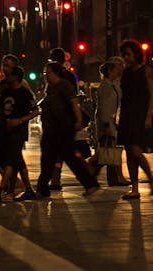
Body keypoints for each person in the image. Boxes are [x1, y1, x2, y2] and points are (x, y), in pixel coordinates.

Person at [36, 61, 99, 198]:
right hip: (52, 130)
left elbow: (74, 103)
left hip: (62, 129)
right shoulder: (51, 88)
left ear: (56, 73)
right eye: (45, 73)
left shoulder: (64, 85)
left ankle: (90, 183)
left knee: (67, 158)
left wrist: (78, 120)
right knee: (49, 159)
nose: (46, 76)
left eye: (48, 73)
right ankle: (42, 189)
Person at [117, 40, 153, 200]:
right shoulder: (126, 72)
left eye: (128, 54)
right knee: (129, 152)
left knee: (136, 150)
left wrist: (149, 115)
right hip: (127, 114)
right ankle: (134, 188)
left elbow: (152, 94)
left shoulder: (146, 70)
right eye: (124, 55)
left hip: (140, 114)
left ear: (136, 54)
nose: (126, 57)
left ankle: (151, 178)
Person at [0, 54, 35, 198]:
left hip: (15, 129)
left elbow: (30, 107)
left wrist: (19, 121)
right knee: (14, 160)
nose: (4, 69)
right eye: (3, 65)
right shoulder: (3, 83)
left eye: (8, 66)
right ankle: (23, 188)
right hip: (3, 128)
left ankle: (11, 189)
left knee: (13, 159)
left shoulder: (21, 85)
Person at [88, 59, 129, 186]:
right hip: (107, 122)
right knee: (107, 152)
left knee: (111, 151)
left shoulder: (114, 84)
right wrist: (107, 124)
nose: (119, 70)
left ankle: (114, 177)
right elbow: (103, 107)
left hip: (114, 121)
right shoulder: (105, 87)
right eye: (117, 68)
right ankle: (92, 174)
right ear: (110, 71)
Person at [48, 47, 77, 190]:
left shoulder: (55, 76)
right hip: (67, 118)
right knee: (64, 151)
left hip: (58, 119)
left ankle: (55, 178)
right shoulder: (69, 76)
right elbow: (75, 97)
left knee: (60, 152)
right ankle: (54, 178)